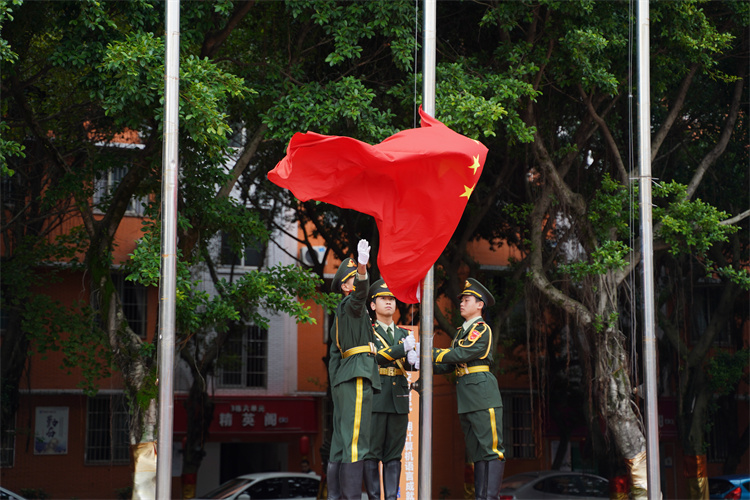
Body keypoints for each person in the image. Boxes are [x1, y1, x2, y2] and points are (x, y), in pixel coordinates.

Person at [432, 278, 505, 500]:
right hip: (467, 396)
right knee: (477, 454)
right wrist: (420, 361)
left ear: (480, 304)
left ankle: (489, 498)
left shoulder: (480, 329)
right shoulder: (461, 332)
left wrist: (430, 352)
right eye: (461, 300)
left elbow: (462, 354)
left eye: (467, 299)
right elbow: (447, 364)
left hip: (482, 394)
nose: (462, 303)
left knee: (491, 451)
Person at [326, 240, 381, 500]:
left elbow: (334, 356)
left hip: (344, 379)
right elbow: (360, 294)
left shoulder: (342, 312)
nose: (359, 286)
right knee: (356, 443)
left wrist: (336, 383)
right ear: (346, 286)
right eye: (354, 281)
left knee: (340, 444)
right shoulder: (352, 306)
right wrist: (362, 266)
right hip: (357, 375)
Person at [362, 279, 418, 500]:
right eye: (383, 298)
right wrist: (401, 350)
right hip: (376, 398)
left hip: (398, 399)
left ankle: (392, 498)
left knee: (394, 455)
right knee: (372, 454)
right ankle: (375, 498)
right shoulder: (368, 332)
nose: (389, 302)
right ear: (373, 305)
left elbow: (409, 366)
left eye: (392, 299)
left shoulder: (405, 334)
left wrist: (415, 361)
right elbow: (371, 359)